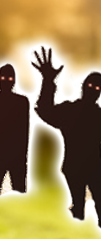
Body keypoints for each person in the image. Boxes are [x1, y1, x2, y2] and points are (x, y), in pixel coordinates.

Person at [32, 47, 101, 223]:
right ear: (84, 86)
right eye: (90, 85)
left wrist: (48, 81)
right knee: (79, 207)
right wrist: (48, 81)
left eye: (96, 87)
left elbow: (45, 111)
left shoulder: (77, 112)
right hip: (79, 168)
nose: (92, 89)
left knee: (85, 207)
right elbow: (45, 111)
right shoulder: (72, 111)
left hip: (88, 168)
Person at [0, 64, 30, 194]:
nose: (6, 81)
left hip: (12, 156)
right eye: (3, 78)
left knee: (12, 195)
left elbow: (25, 132)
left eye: (9, 78)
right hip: (1, 155)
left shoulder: (22, 102)